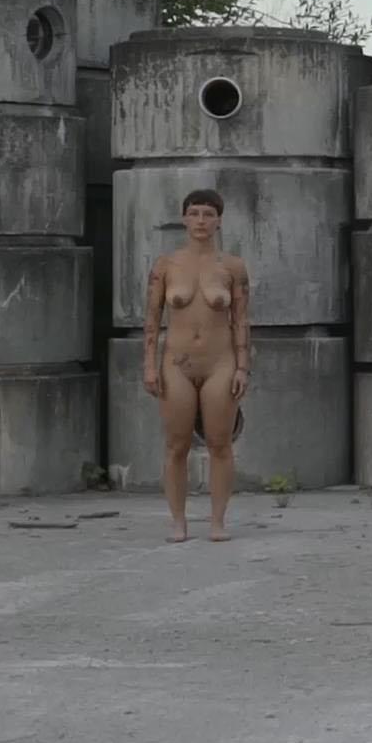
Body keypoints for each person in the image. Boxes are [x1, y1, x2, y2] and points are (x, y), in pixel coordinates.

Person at [141, 189, 250, 543]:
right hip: (177, 363)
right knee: (177, 445)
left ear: (219, 221)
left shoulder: (232, 267)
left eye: (208, 214)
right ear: (184, 219)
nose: (201, 221)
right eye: (194, 213)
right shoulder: (166, 265)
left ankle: (218, 521)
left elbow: (241, 319)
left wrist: (243, 367)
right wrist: (149, 365)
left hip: (220, 362)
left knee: (220, 443)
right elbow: (152, 320)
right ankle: (178, 521)